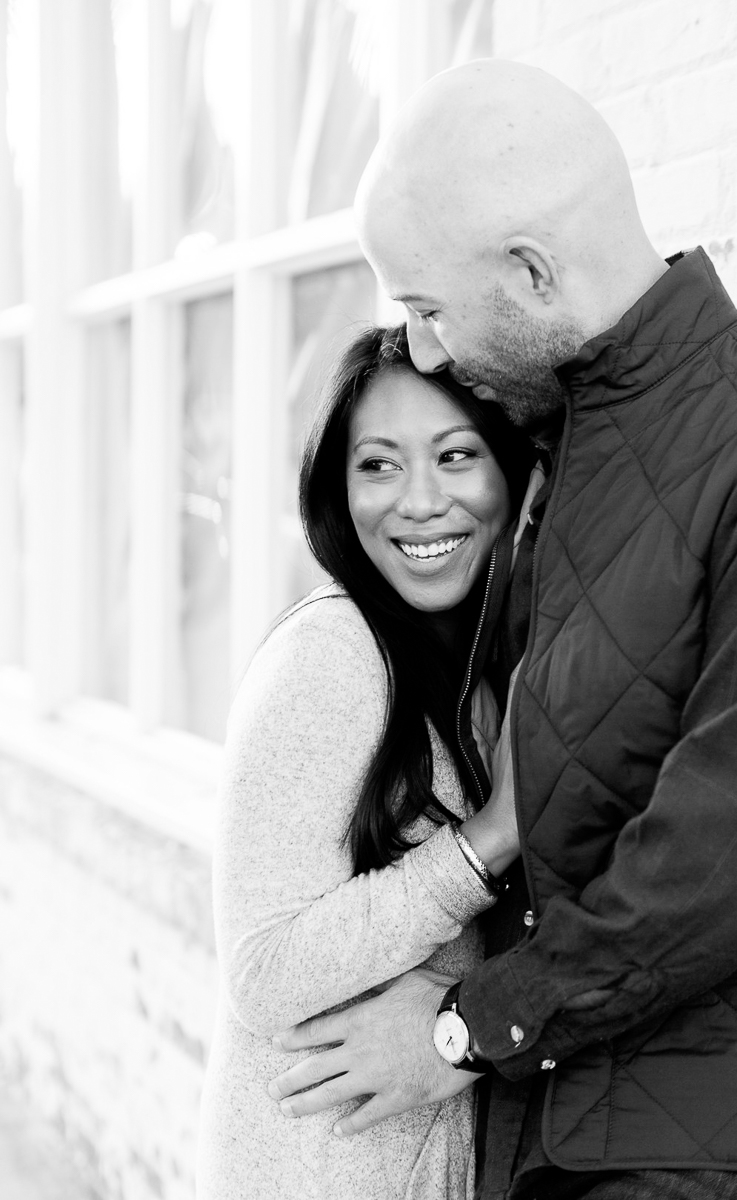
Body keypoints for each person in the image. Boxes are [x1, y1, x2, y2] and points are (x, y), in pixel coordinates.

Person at [265, 60, 737, 1200]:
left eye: (426, 310)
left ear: (531, 272)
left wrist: (464, 1028)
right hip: (555, 1139)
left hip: (699, 1159)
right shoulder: (561, 452)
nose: (419, 352)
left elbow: (732, 852)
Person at [195, 325, 533, 1199]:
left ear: (514, 475)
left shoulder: (472, 668)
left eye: (455, 456)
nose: (418, 501)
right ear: (337, 491)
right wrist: (484, 845)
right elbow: (262, 971)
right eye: (378, 465)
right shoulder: (333, 655)